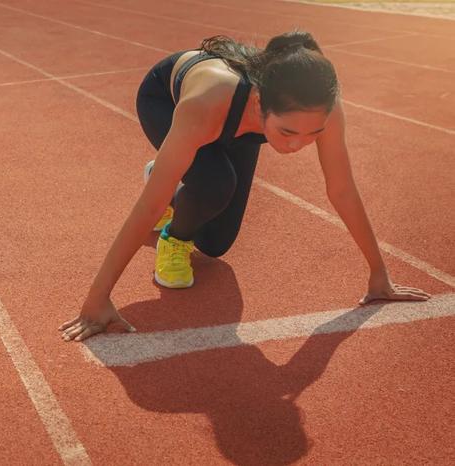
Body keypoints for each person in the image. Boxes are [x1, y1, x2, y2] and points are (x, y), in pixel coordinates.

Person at [59, 30, 431, 342]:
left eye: (311, 134)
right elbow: (148, 206)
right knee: (216, 183)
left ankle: (184, 183)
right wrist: (98, 298)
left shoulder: (322, 108)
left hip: (239, 125)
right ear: (259, 102)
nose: (296, 145)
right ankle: (173, 205)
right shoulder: (207, 102)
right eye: (286, 132)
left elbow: (342, 190)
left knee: (216, 244)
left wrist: (379, 273)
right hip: (167, 99)